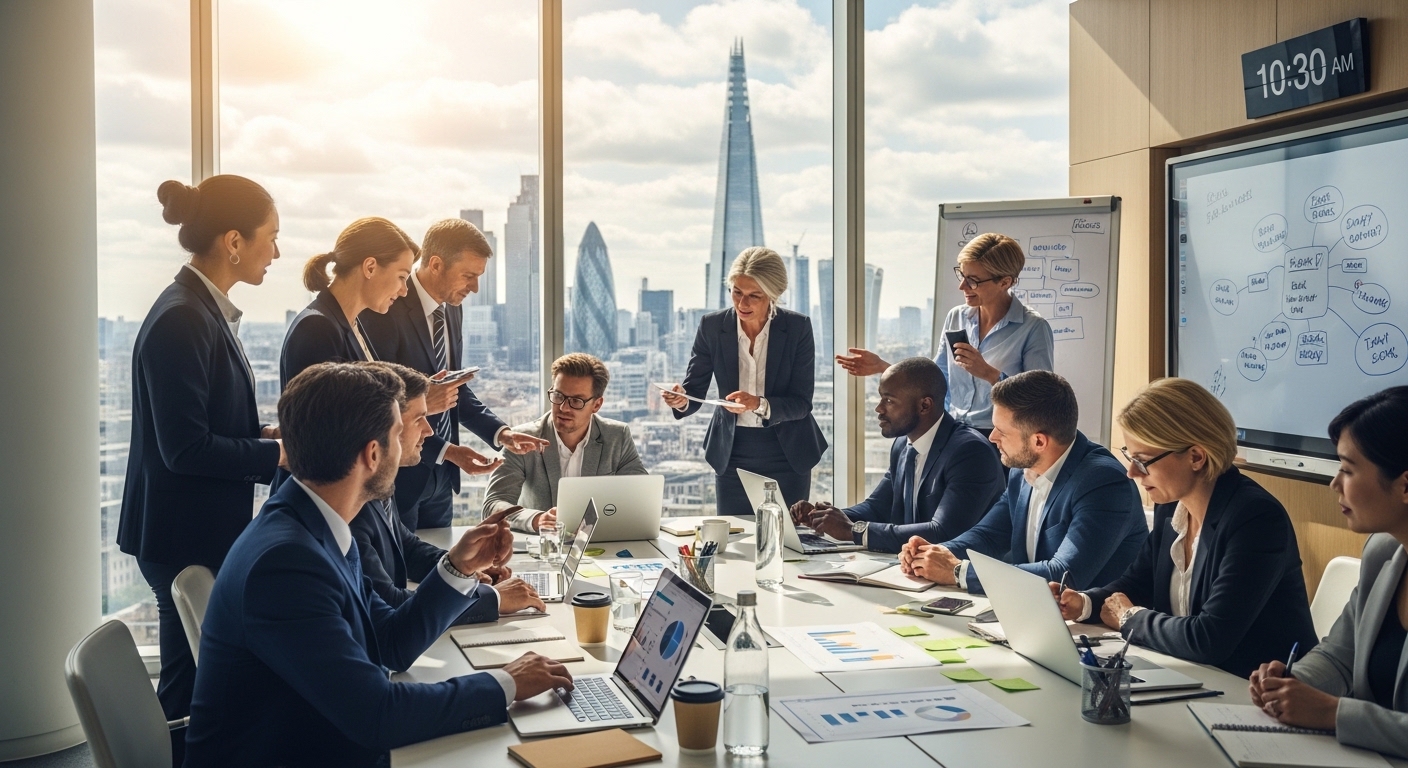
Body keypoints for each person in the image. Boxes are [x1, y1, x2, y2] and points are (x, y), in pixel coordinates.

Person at [185, 363, 573, 765]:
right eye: (396, 433)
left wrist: (456, 568)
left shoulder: (316, 525)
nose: (419, 437)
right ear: (372, 454)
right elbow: (379, 715)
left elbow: (390, 642)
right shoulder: (286, 563)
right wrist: (505, 682)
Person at [116, 176, 284, 758]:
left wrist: (262, 434)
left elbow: (203, 424)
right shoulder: (183, 318)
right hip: (183, 533)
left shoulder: (200, 310)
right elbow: (183, 448)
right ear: (234, 241)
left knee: (193, 690)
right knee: (193, 695)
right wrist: (279, 454)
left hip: (190, 529)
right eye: (271, 238)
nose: (277, 253)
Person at [1052, 378, 1316, 678]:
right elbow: (1137, 585)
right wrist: (1082, 603)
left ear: (1196, 457)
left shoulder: (1256, 518)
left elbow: (1209, 639)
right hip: (1192, 677)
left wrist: (1129, 618)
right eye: (1129, 456)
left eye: (1142, 461)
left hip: (1255, 693)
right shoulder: (1171, 506)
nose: (1131, 472)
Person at [1249, 387, 1408, 757]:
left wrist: (1333, 713)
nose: (1334, 483)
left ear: (1404, 485)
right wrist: (1289, 684)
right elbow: (1338, 655)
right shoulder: (1383, 553)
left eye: (1347, 469)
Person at [360, 218, 548, 530]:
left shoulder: (451, 308)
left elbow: (453, 388)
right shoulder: (386, 308)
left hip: (443, 478)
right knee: (404, 573)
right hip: (402, 475)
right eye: (469, 276)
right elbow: (381, 400)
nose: (475, 288)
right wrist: (446, 450)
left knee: (441, 566)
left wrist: (500, 433)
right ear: (435, 265)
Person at [899, 370, 1146, 594]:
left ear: (1039, 441)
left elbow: (1063, 575)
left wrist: (958, 572)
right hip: (1033, 613)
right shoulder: (1022, 468)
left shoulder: (1104, 482)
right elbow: (988, 536)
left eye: (1001, 431)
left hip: (1098, 630)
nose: (992, 437)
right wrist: (933, 552)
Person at [350, 361, 545, 618]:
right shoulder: (349, 506)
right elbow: (390, 606)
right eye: (420, 419)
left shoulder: (375, 485)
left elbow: (406, 549)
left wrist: (464, 566)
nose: (430, 431)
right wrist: (493, 599)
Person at [661, 247, 827, 514]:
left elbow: (801, 403)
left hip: (787, 452)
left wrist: (758, 404)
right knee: (735, 540)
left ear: (773, 295)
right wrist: (681, 400)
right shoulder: (712, 327)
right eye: (736, 292)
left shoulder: (797, 328)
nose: (742, 304)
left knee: (788, 543)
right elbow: (694, 390)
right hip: (732, 451)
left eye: (754, 296)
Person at [836, 233, 1054, 436]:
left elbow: (1039, 401)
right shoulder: (956, 317)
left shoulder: (1033, 328)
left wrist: (988, 373)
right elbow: (936, 377)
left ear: (1005, 282)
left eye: (973, 280)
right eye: (962, 275)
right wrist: (885, 367)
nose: (962, 286)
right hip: (953, 431)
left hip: (1000, 438)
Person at [789, 357, 1005, 553]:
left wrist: (855, 531)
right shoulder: (903, 444)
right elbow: (877, 507)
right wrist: (823, 518)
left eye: (889, 401)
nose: (879, 408)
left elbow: (942, 532)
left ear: (925, 405)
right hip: (911, 568)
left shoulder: (970, 452)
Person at [484, 353, 647, 533]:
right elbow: (493, 505)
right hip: (542, 548)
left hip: (599, 546)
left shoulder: (617, 436)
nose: (563, 408)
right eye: (558, 396)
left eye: (576, 401)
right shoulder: (523, 439)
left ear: (597, 405)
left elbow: (641, 498)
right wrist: (537, 519)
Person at [280, 217, 419, 385]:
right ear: (370, 268)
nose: (404, 291)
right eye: (402, 277)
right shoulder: (317, 328)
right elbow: (325, 411)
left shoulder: (351, 324)